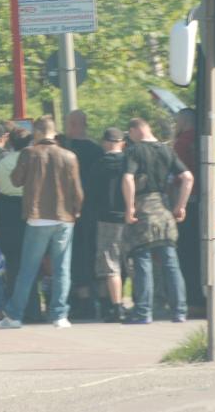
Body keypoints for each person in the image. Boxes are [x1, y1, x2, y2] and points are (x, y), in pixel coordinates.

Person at [0, 116, 83, 329]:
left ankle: (15, 316)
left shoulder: (29, 154)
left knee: (28, 269)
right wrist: (76, 210)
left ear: (36, 132)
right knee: (62, 268)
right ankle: (59, 315)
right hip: (64, 218)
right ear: (54, 132)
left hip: (37, 218)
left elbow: (16, 180)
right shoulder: (69, 156)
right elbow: (78, 190)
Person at [122, 117, 193, 324]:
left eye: (130, 133)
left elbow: (127, 178)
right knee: (171, 263)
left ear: (136, 130)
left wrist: (129, 208)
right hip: (165, 212)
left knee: (143, 260)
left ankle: (143, 312)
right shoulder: (167, 150)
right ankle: (180, 311)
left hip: (144, 211)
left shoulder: (134, 151)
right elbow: (188, 177)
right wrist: (180, 206)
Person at [0, 128, 41, 321]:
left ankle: (14, 309)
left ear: (11, 143)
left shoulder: (4, 162)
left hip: (6, 214)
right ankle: (33, 309)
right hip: (30, 212)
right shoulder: (34, 159)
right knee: (31, 263)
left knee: (13, 265)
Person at [61, 109, 103, 320]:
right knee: (91, 253)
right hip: (93, 211)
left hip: (70, 211)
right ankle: (95, 297)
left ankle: (80, 299)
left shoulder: (65, 150)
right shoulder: (98, 151)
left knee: (75, 256)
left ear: (74, 124)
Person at [87, 128, 128, 322]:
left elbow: (90, 194)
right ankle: (139, 304)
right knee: (130, 262)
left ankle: (116, 307)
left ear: (105, 142)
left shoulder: (98, 165)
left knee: (109, 264)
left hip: (105, 218)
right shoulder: (129, 163)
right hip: (130, 218)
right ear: (122, 143)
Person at [172, 107, 203, 314]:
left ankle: (192, 301)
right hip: (203, 199)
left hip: (187, 201)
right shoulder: (202, 139)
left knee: (186, 253)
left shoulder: (182, 142)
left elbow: (178, 174)